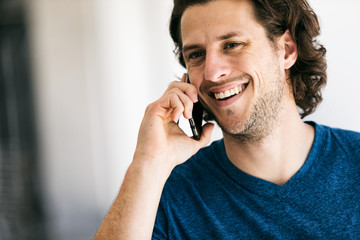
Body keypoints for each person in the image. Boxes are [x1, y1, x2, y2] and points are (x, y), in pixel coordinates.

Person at [95, 0, 360, 239]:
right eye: (196, 54)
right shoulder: (165, 193)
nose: (211, 72)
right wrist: (149, 163)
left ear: (287, 50)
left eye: (232, 45)